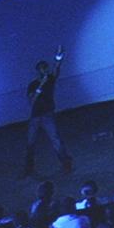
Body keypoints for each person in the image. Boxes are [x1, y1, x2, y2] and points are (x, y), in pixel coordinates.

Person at [22, 48, 73, 177]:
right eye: (43, 69)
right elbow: (31, 101)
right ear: (38, 71)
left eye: (46, 68)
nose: (45, 71)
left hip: (47, 115)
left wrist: (58, 58)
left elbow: (56, 69)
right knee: (30, 143)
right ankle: (29, 169)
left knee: (56, 140)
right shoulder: (33, 84)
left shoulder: (50, 80)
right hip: (35, 116)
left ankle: (66, 165)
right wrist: (40, 86)